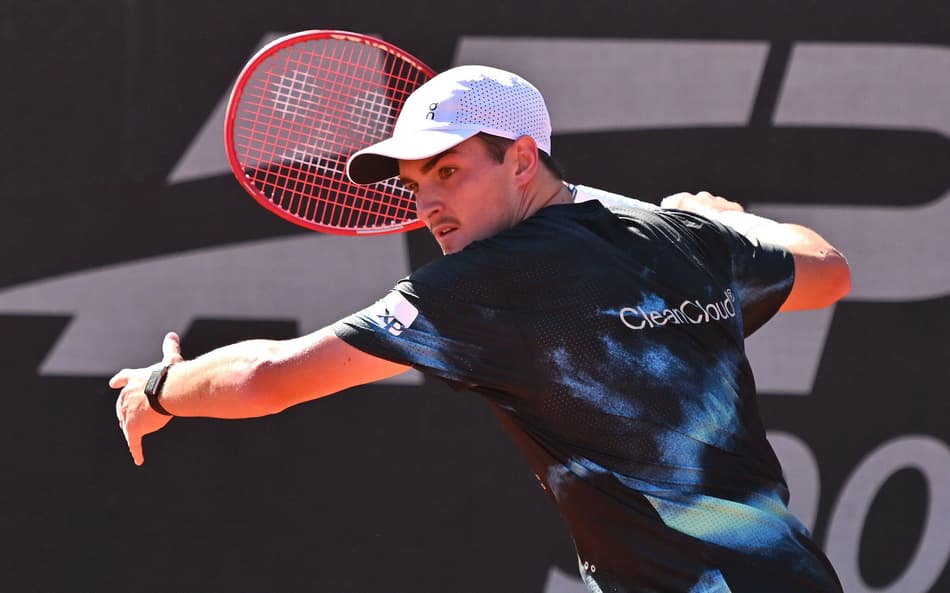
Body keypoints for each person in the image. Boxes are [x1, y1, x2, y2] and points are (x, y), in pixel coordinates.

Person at [110, 65, 850, 592]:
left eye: (447, 170)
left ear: (521, 159)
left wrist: (160, 387)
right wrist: (729, 222)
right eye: (414, 183)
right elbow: (828, 270)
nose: (426, 203)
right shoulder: (684, 237)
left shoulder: (486, 284)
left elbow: (268, 378)